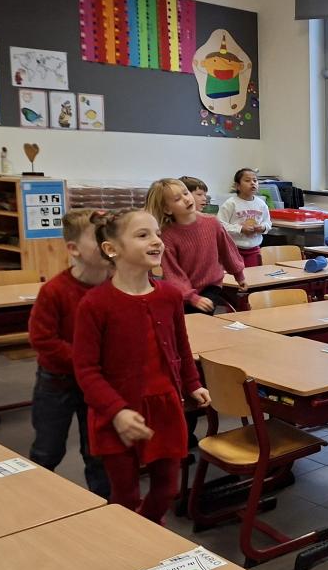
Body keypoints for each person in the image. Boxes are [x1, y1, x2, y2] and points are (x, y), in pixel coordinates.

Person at [73, 210, 210, 523]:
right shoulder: (95, 304)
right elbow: (86, 370)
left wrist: (192, 383)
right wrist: (117, 412)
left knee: (167, 489)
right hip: (118, 411)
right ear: (112, 249)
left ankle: (148, 530)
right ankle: (131, 541)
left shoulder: (170, 295)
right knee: (125, 495)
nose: (157, 241)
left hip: (165, 407)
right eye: (143, 235)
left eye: (157, 234)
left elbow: (181, 347)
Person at [27, 209, 112, 498]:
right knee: (47, 450)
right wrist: (86, 361)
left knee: (98, 453)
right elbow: (43, 339)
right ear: (74, 249)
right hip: (58, 383)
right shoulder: (55, 291)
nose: (107, 244)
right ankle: (34, 503)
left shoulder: (116, 287)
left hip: (98, 385)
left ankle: (106, 508)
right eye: (98, 238)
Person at [144, 177, 245, 314]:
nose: (186, 199)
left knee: (202, 316)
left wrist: (239, 275)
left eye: (186, 193)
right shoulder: (167, 236)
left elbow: (227, 251)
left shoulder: (212, 223)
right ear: (167, 209)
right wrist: (191, 297)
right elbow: (173, 273)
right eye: (177, 199)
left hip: (211, 286)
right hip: (182, 290)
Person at [216, 168, 271, 269]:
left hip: (254, 249)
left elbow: (268, 222)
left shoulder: (261, 204)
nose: (252, 183)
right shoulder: (231, 203)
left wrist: (263, 227)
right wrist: (240, 229)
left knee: (253, 275)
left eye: (255, 180)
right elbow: (220, 225)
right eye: (247, 180)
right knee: (236, 274)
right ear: (237, 186)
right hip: (234, 249)